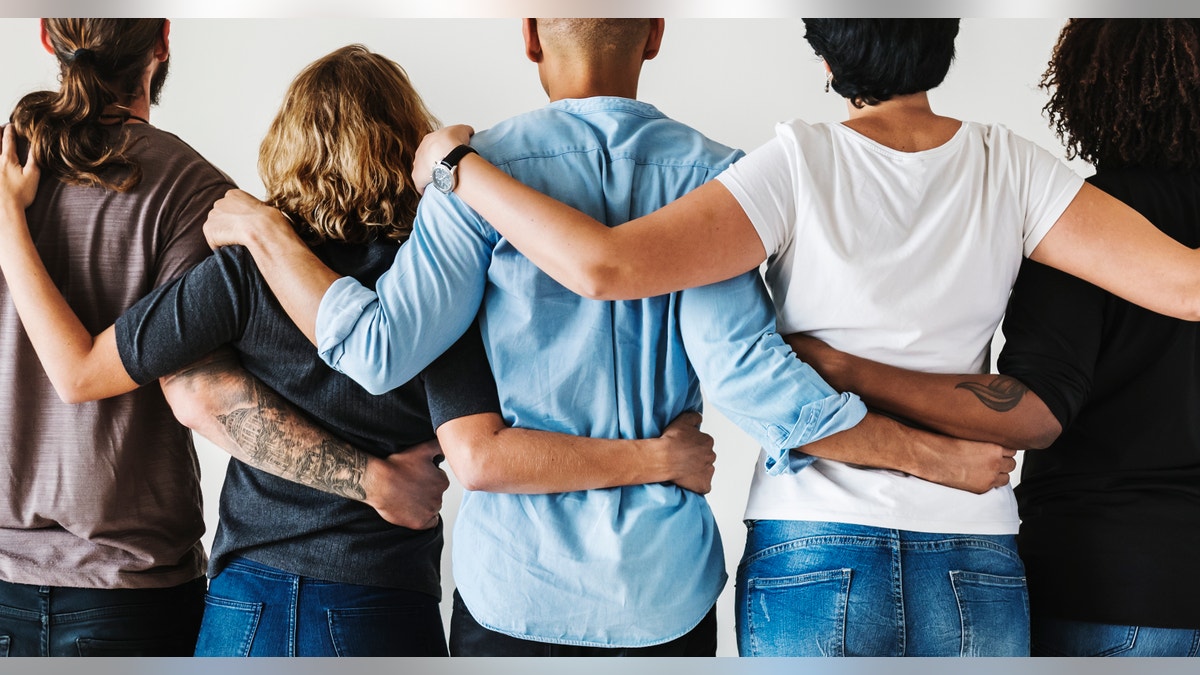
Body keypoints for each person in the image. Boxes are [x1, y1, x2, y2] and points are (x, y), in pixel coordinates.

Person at [201, 19, 1016, 656]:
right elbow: (746, 378)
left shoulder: (471, 179)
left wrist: (267, 234)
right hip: (662, 595)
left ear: (528, 37)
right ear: (656, 35)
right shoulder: (717, 178)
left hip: (514, 594)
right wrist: (925, 451)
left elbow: (377, 351)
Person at [403, 19, 1200, 657]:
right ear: (947, 43)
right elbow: (1189, 285)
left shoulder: (792, 166)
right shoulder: (1011, 166)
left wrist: (457, 168)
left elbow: (607, 265)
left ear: (822, 54)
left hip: (811, 549)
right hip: (972, 544)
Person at [0, 43, 717, 657]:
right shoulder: (435, 286)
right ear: (407, 139)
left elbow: (93, 369)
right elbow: (483, 450)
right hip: (378, 601)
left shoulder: (242, 271)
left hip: (243, 601)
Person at [788, 19, 1200, 657]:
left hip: (1114, 584)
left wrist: (846, 367)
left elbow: (1034, 411)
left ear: (1095, 86)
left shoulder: (1085, 223)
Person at [0, 18, 224, 656]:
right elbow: (203, 395)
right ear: (162, 39)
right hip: (132, 593)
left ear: (47, 36)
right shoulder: (193, 191)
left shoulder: (6, 168)